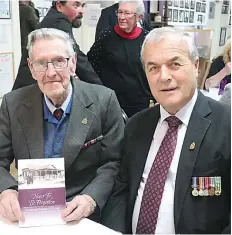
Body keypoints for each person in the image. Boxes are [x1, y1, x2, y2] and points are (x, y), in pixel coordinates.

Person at [101, 27, 231, 234]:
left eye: (175, 64)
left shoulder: (227, 125)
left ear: (195, 66)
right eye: (153, 68)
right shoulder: (136, 126)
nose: (164, 76)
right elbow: (121, 189)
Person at [0, 28, 124, 224]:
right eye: (42, 63)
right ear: (31, 68)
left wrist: (91, 198)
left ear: (73, 63)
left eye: (59, 61)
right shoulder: (12, 104)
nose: (51, 73)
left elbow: (115, 162)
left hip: (84, 215)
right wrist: (5, 190)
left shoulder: (104, 100)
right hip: (29, 212)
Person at [13, 0, 102, 91]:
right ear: (59, 6)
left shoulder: (54, 18)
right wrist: (100, 89)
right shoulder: (59, 21)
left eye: (82, 6)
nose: (82, 11)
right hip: (29, 91)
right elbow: (77, 57)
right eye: (76, 5)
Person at [88, 0, 152, 118]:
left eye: (127, 13)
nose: (122, 17)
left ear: (139, 17)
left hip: (139, 102)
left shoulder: (147, 39)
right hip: (112, 101)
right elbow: (91, 63)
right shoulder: (106, 36)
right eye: (120, 12)